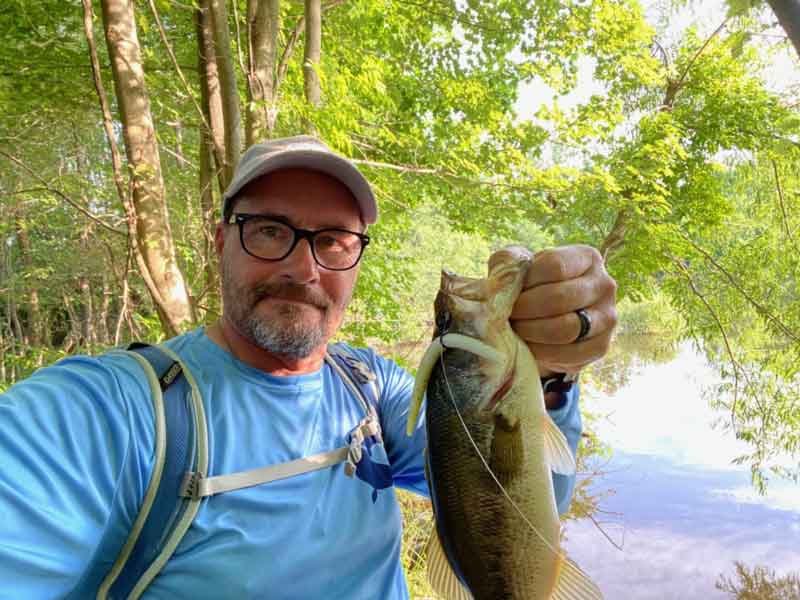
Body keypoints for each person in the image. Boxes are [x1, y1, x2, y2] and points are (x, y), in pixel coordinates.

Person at [0, 136, 617, 599]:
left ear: (355, 258)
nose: (303, 268)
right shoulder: (110, 413)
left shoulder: (375, 390)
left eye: (333, 240)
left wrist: (553, 377)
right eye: (270, 231)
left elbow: (528, 504)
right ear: (221, 241)